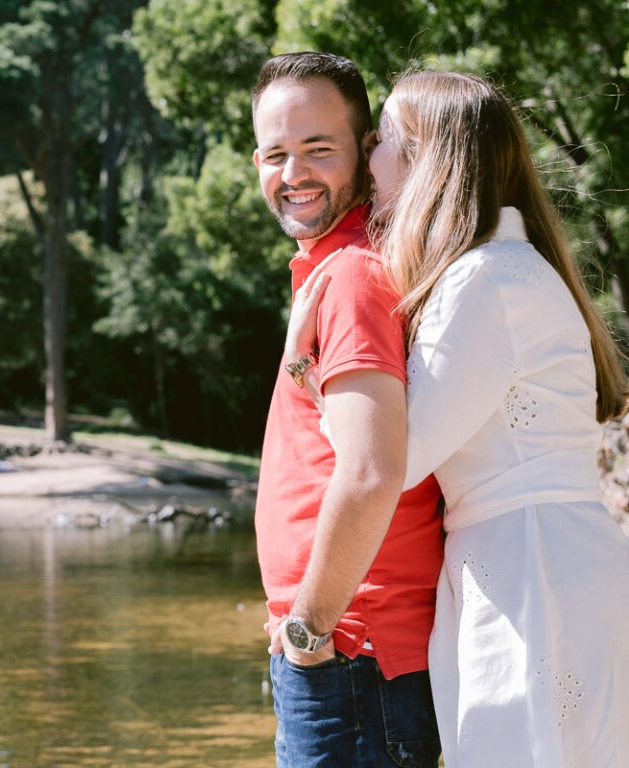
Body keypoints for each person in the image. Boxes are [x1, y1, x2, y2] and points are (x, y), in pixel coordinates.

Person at [285, 70, 629, 767]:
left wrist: (304, 355)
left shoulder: (484, 278)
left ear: (424, 160)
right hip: (541, 555)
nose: (370, 155)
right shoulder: (507, 268)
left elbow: (396, 454)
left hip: (528, 567)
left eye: (381, 139)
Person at [250, 52, 444, 768]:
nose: (293, 172)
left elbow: (370, 471)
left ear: (367, 153)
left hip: (352, 655)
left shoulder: (356, 275)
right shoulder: (334, 268)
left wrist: (308, 628)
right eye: (276, 152)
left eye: (318, 149)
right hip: (348, 655)